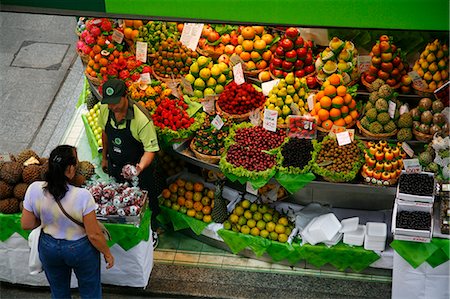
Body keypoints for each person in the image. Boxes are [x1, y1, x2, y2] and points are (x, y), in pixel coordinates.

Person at [21, 145, 114, 299]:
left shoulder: (34, 189)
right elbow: (94, 235)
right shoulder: (83, 196)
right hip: (80, 249)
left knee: (58, 292)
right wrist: (108, 253)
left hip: (48, 247)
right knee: (90, 291)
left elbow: (26, 224)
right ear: (70, 169)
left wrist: (48, 217)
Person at [98, 78, 163, 248]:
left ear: (125, 96)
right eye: (109, 103)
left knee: (146, 204)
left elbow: (151, 149)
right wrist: (105, 157)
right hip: (115, 165)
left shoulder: (141, 119)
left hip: (139, 169)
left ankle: (152, 231)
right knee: (119, 202)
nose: (112, 107)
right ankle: (125, 232)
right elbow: (105, 133)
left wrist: (138, 168)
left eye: (115, 102)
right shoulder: (105, 109)